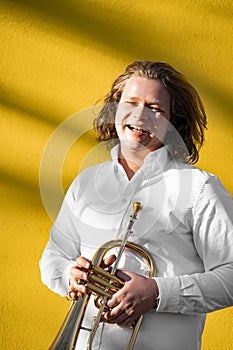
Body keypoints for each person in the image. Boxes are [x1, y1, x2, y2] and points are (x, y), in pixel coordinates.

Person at [40, 61, 233, 350]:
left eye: (155, 108)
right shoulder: (86, 183)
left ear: (173, 122)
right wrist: (71, 274)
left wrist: (156, 292)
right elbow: (52, 260)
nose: (139, 115)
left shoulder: (200, 188)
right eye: (131, 102)